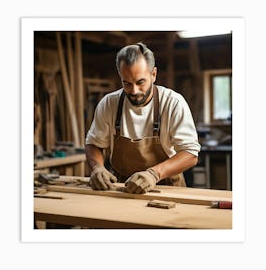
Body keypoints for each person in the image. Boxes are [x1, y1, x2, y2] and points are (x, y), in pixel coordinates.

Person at [85, 42, 200, 194]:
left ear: (153, 74)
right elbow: (93, 143)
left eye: (140, 82)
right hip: (123, 188)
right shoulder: (109, 103)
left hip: (166, 186)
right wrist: (97, 167)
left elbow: (190, 154)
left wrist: (154, 174)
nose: (134, 91)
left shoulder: (173, 103)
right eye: (127, 83)